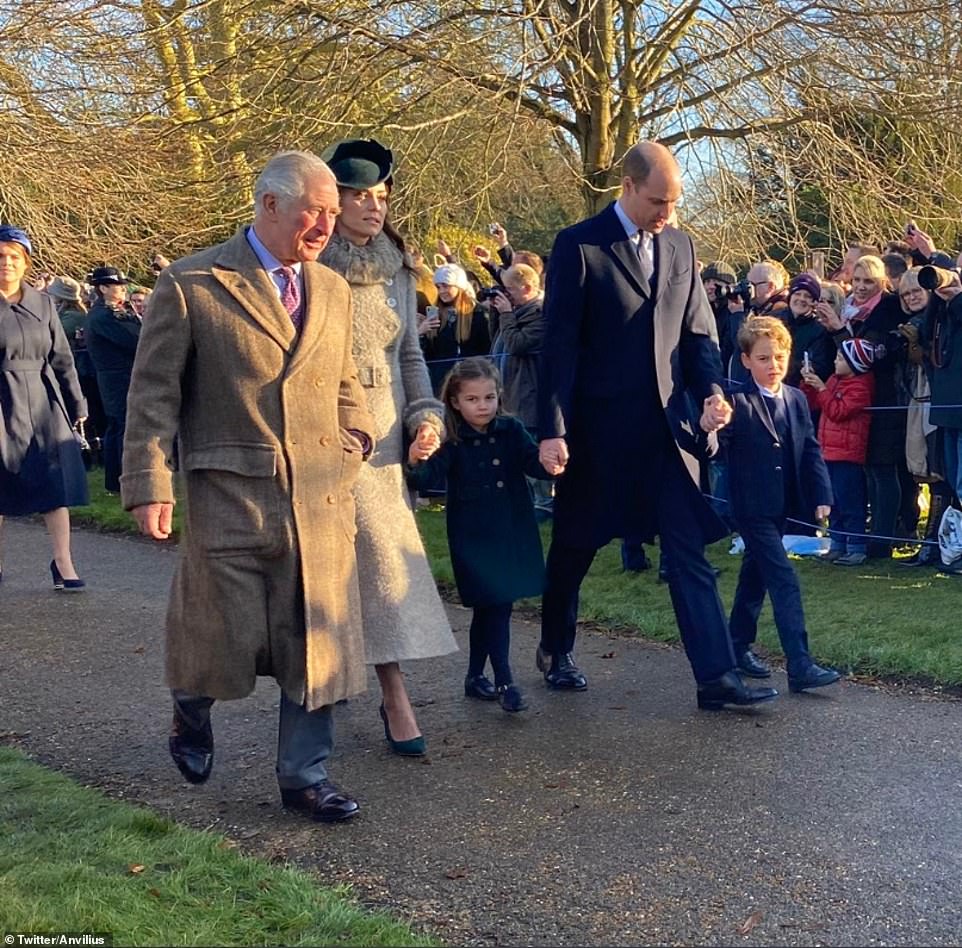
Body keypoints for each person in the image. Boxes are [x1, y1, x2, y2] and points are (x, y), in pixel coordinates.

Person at [120, 151, 376, 822]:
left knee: (317, 642)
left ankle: (304, 776)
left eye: (331, 211)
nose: (325, 224)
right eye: (312, 211)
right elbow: (152, 396)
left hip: (320, 496)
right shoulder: (193, 282)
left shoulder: (333, 289)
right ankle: (190, 708)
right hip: (231, 495)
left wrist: (357, 439)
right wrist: (150, 482)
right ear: (268, 204)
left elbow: (346, 380)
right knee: (220, 637)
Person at [536, 140, 777, 711]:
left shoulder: (680, 245)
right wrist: (552, 428)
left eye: (673, 202)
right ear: (627, 186)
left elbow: (697, 334)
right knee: (574, 546)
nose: (665, 213)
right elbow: (559, 346)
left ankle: (716, 679)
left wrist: (714, 393)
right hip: (598, 435)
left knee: (688, 550)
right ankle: (556, 645)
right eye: (656, 201)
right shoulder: (579, 246)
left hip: (668, 434)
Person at [319, 137, 457, 756]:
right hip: (320, 429)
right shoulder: (309, 263)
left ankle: (394, 694)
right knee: (322, 569)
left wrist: (425, 417)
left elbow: (409, 354)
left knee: (380, 564)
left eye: (381, 196)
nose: (373, 206)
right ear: (333, 199)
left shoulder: (400, 267)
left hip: (381, 438)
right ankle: (322, 681)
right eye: (359, 196)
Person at [406, 358, 554, 712]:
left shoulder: (510, 429)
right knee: (494, 606)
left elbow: (532, 463)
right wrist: (415, 460)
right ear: (455, 401)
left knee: (493, 608)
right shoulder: (451, 440)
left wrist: (550, 462)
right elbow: (426, 480)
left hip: (510, 530)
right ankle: (505, 681)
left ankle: (475, 676)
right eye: (473, 399)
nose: (483, 406)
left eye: (489, 397)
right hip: (473, 537)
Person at [723, 316, 840, 691]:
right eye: (763, 358)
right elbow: (720, 450)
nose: (773, 366)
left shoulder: (794, 399)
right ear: (746, 361)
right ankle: (800, 665)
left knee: (754, 578)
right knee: (783, 579)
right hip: (750, 506)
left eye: (779, 357)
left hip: (782, 505)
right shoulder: (736, 401)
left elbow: (809, 449)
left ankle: (735, 646)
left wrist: (821, 494)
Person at [0, 226, 88, 590]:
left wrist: (77, 403)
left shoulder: (44, 304)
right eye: (0, 257)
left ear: (25, 264)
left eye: (14, 258)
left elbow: (62, 358)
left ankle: (63, 563)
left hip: (42, 399)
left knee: (55, 482)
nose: (6, 264)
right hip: (1, 399)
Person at [801, 338, 876, 566]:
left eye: (841, 358)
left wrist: (822, 388)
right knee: (833, 501)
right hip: (828, 451)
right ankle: (837, 544)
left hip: (847, 454)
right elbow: (815, 403)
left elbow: (837, 411)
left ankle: (856, 546)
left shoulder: (860, 387)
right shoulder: (835, 380)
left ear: (855, 363)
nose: (835, 360)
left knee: (850, 501)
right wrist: (810, 384)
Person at [85, 266, 140, 493]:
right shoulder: (103, 316)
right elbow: (132, 339)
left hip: (120, 375)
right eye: (117, 286)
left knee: (119, 426)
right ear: (103, 288)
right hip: (117, 377)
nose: (123, 290)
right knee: (121, 426)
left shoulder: (111, 312)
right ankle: (120, 479)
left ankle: (118, 480)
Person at [420, 263, 490, 393]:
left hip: (469, 381)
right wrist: (421, 333)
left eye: (446, 286)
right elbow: (428, 354)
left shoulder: (478, 313)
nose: (441, 291)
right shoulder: (435, 314)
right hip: (438, 383)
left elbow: (485, 350)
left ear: (459, 286)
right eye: (438, 287)